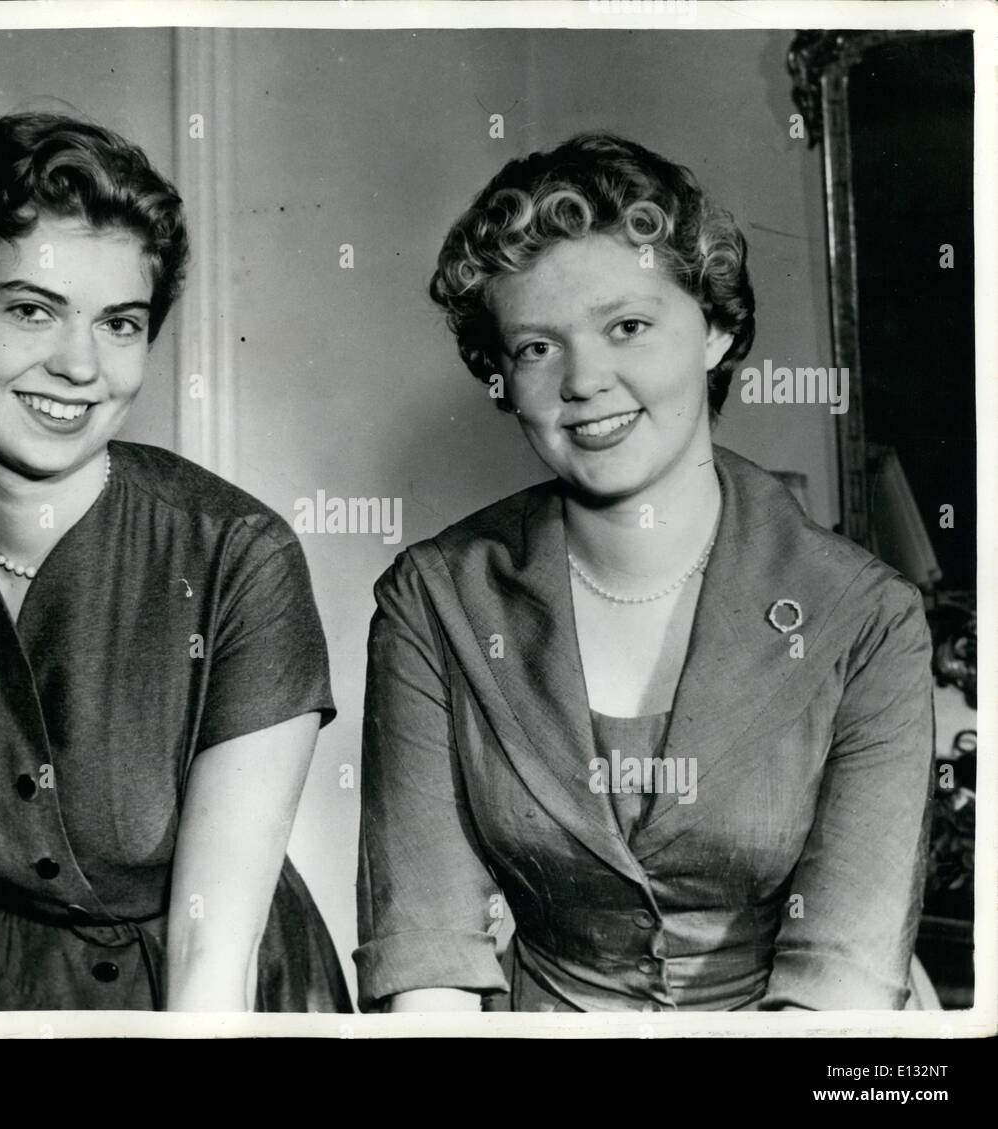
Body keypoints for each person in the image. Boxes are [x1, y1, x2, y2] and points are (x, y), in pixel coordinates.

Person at [355, 133, 934, 1012]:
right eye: (537, 348)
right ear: (502, 378)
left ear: (718, 329)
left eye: (628, 325)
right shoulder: (436, 600)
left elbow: (841, 981)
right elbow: (428, 952)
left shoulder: (866, 616)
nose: (585, 379)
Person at [0, 112, 350, 1012]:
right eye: (30, 310)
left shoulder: (237, 555)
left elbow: (213, 946)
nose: (80, 365)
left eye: (119, 323)